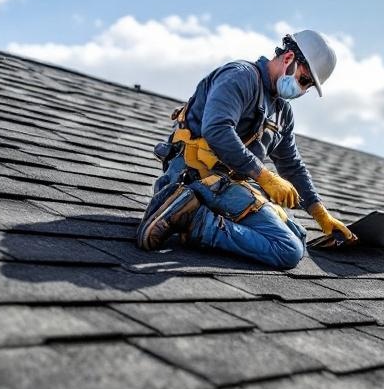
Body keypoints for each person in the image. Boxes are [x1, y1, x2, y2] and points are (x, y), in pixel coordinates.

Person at [136, 30, 356, 269]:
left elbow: (291, 164)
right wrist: (264, 177)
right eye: (304, 80)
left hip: (224, 184)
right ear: (289, 58)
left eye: (309, 87)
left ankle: (188, 211)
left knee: (299, 237)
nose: (303, 90)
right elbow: (218, 129)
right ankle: (192, 218)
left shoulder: (282, 112)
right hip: (195, 174)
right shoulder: (240, 77)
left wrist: (320, 213)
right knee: (287, 249)